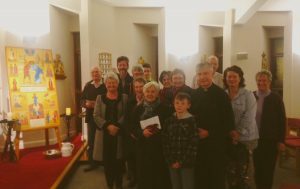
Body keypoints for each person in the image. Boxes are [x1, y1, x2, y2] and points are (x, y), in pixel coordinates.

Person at [191, 62, 235, 189]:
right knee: (200, 179)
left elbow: (228, 122)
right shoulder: (194, 95)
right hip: (198, 146)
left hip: (216, 145)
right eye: (199, 74)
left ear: (212, 74)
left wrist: (209, 133)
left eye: (205, 73)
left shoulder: (221, 95)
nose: (203, 77)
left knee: (216, 180)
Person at [223, 65, 259, 188]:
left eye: (234, 76)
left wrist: (237, 133)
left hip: (246, 139)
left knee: (245, 172)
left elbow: (249, 116)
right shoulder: (223, 95)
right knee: (231, 170)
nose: (231, 79)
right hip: (229, 137)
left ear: (240, 78)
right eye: (229, 77)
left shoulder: (248, 94)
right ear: (225, 78)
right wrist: (230, 133)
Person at [131, 81, 172, 189]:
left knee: (160, 177)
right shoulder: (138, 109)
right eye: (147, 91)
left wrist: (159, 130)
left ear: (158, 93)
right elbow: (132, 127)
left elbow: (169, 128)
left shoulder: (166, 108)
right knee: (144, 177)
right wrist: (141, 132)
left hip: (159, 148)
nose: (150, 94)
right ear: (144, 93)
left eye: (153, 91)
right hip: (143, 148)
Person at [93, 72, 128, 189]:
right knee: (107, 162)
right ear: (105, 84)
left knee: (119, 161)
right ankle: (109, 184)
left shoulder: (124, 97)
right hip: (105, 135)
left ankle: (119, 185)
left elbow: (126, 114)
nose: (111, 85)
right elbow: (96, 115)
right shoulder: (99, 98)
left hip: (119, 134)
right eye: (109, 82)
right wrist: (108, 126)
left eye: (114, 82)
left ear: (117, 84)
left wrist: (117, 126)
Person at [253, 70, 286, 189]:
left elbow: (282, 120)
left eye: (264, 81)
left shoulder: (276, 98)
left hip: (270, 140)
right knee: (257, 167)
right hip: (255, 139)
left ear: (269, 82)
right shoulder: (252, 96)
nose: (261, 83)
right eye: (259, 80)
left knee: (269, 167)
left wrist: (281, 140)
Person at [162, 92, 198, 189]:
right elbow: (165, 141)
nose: (179, 106)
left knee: (187, 185)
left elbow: (193, 143)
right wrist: (171, 159)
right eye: (177, 103)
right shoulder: (169, 120)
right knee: (175, 186)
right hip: (172, 160)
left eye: (183, 103)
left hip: (187, 162)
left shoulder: (192, 121)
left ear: (188, 105)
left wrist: (182, 161)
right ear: (173, 104)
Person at [80, 67, 106, 172]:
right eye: (93, 72)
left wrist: (97, 104)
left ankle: (104, 162)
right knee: (91, 140)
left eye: (97, 72)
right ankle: (92, 163)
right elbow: (81, 100)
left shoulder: (105, 85)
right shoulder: (87, 85)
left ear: (101, 73)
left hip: (103, 117)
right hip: (91, 117)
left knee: (103, 140)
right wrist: (86, 104)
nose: (95, 74)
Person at [125, 77, 147, 187]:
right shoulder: (130, 100)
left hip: (145, 134)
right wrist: (131, 132)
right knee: (132, 158)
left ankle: (142, 181)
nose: (138, 89)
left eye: (141, 86)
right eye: (136, 87)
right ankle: (134, 179)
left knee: (142, 160)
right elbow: (126, 118)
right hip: (132, 134)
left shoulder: (149, 99)